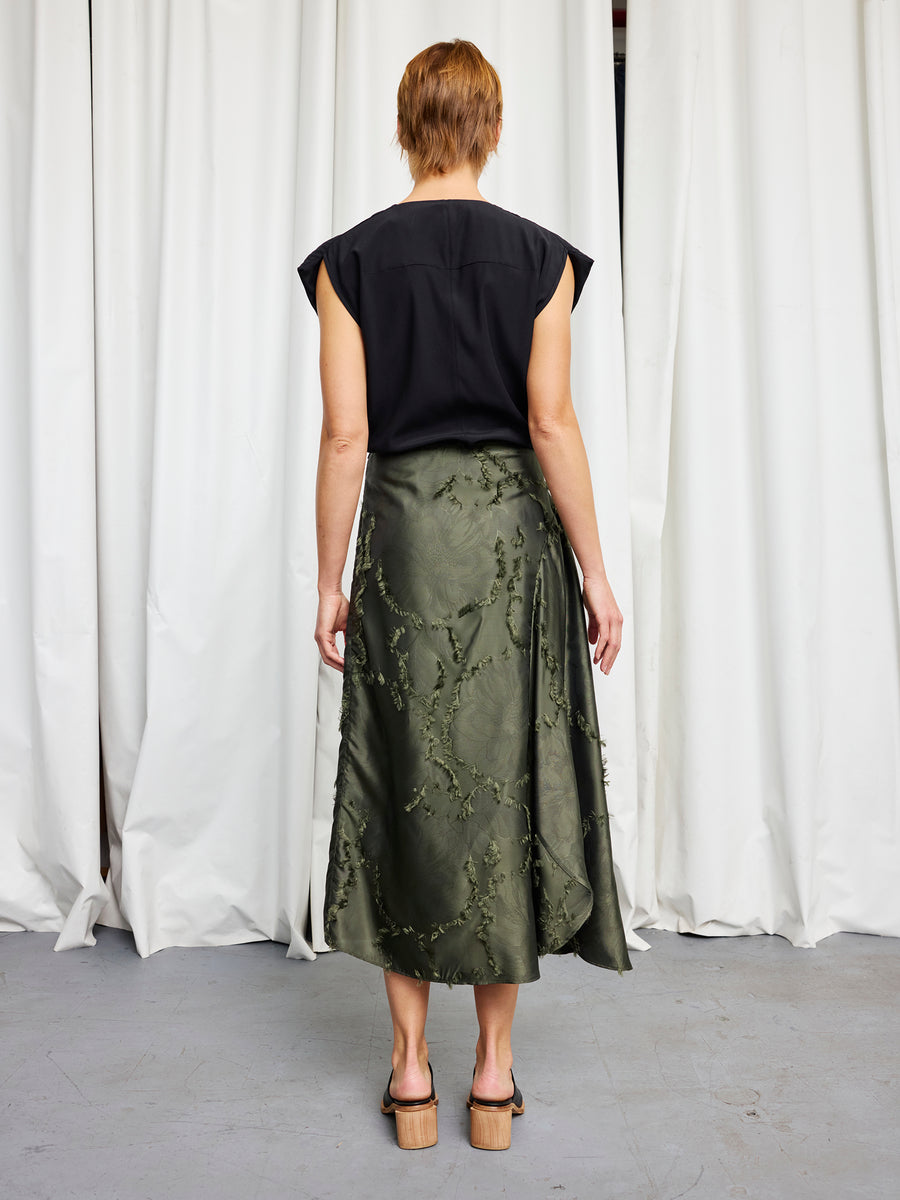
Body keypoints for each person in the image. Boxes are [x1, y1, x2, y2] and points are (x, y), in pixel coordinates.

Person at [298, 39, 631, 1152]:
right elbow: (551, 425)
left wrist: (328, 579)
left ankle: (408, 1076)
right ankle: (491, 1077)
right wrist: (593, 571)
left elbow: (348, 435)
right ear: (491, 130)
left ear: (406, 127)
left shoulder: (347, 262)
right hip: (505, 556)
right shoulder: (543, 260)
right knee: (501, 799)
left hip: (401, 550)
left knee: (403, 791)